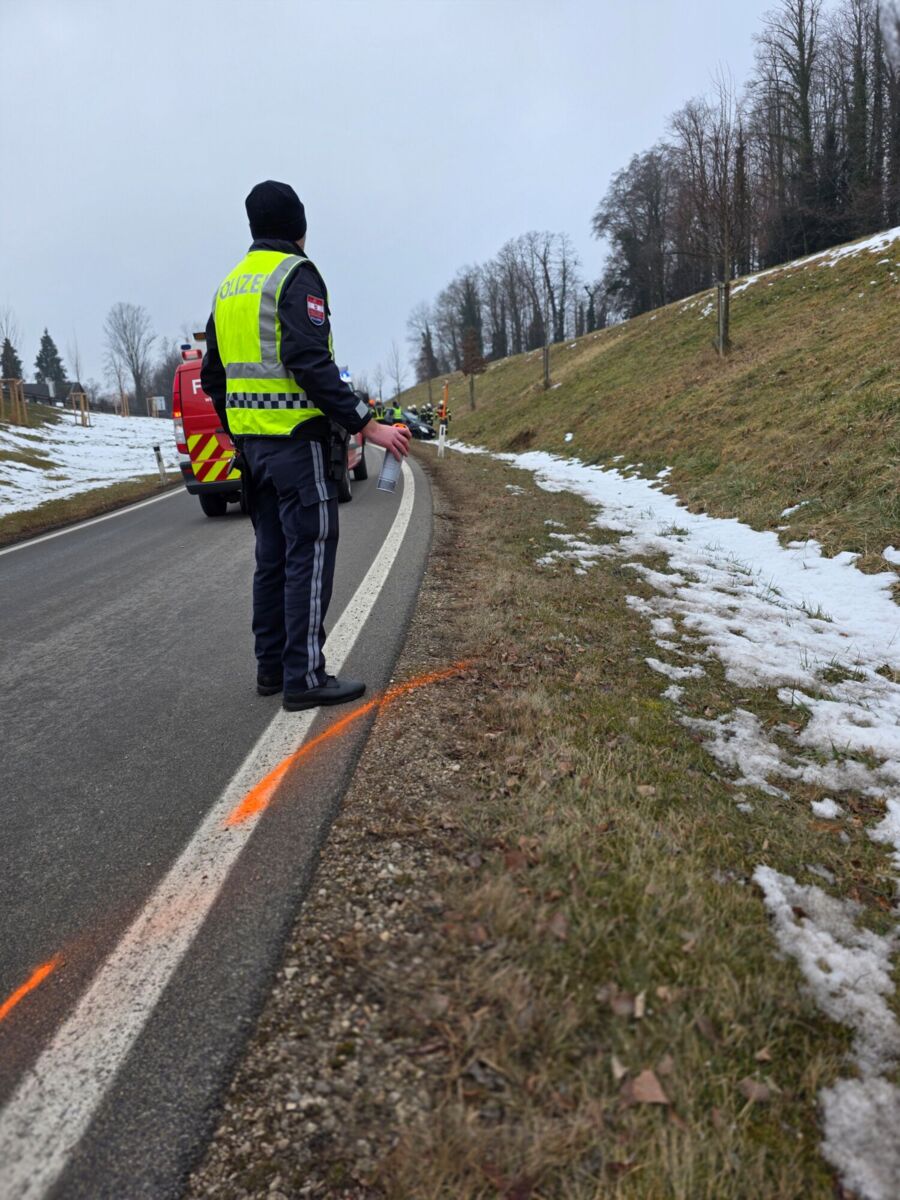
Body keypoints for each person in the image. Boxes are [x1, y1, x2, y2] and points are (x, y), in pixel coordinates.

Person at [201, 180, 411, 711]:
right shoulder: (296, 275)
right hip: (297, 445)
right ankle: (305, 677)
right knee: (309, 554)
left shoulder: (229, 288)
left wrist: (240, 433)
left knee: (271, 559)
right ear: (299, 226)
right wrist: (367, 425)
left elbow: (213, 377)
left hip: (255, 453)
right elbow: (309, 361)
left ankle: (271, 668)